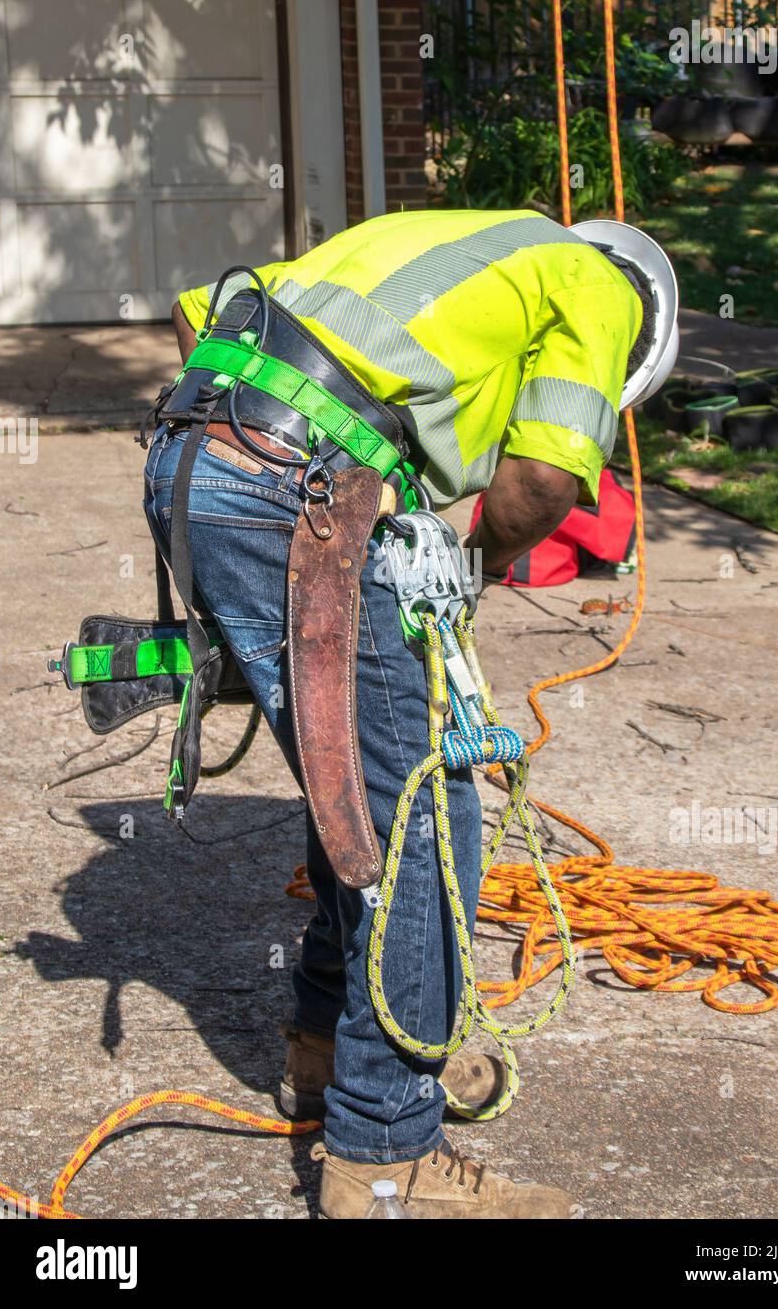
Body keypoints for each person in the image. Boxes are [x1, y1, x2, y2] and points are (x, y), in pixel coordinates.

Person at [145, 207, 678, 1218]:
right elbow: (542, 478)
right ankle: (385, 1154)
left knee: (349, 763)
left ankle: (322, 1044)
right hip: (293, 490)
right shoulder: (598, 288)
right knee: (426, 814)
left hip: (190, 459)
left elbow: (197, 319)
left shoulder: (451, 241)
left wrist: (281, 462)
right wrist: (466, 567)